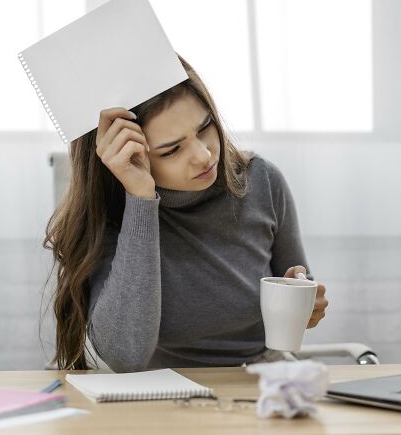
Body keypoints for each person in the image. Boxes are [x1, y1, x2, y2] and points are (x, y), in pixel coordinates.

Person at [44, 56, 328, 371]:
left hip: (258, 376)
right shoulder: (113, 214)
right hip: (158, 390)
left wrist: (307, 304)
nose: (204, 155)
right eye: (171, 150)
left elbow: (298, 286)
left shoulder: (262, 180)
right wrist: (141, 199)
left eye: (205, 127)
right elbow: (125, 357)